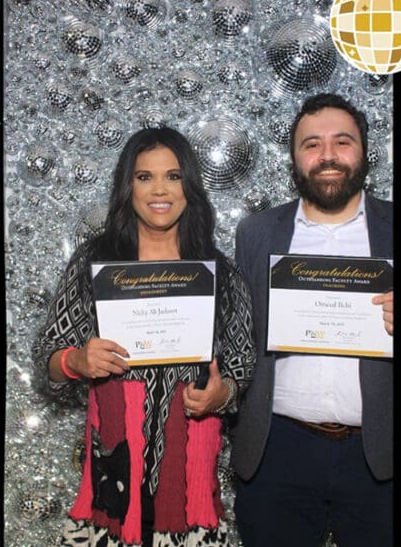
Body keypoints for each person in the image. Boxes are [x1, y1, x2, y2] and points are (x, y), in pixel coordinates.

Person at [33, 127, 255, 547]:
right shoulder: (94, 263)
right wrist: (74, 361)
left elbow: (241, 369)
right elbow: (47, 356)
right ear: (127, 186)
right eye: (144, 176)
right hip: (109, 488)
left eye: (173, 176)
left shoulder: (219, 274)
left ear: (190, 187)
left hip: (191, 494)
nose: (160, 189)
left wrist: (221, 395)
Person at [232, 93, 393, 547]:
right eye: (311, 144)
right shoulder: (257, 232)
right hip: (277, 451)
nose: (327, 156)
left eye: (342, 142)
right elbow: (237, 336)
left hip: (380, 456)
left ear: (363, 150)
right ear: (294, 158)